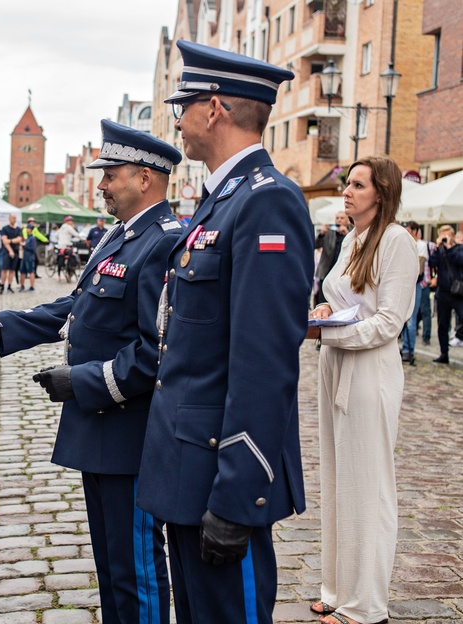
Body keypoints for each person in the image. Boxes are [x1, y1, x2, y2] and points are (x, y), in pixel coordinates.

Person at [0, 119, 184, 624]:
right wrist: (7, 323)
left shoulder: (163, 242)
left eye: (111, 174)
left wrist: (82, 382)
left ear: (145, 179)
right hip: (101, 427)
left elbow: (158, 348)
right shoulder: (120, 237)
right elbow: (79, 306)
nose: (102, 184)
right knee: (109, 560)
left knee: (137, 564)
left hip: (131, 428)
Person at [135, 41, 314, 624]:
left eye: (182, 106)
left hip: (220, 474)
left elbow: (263, 363)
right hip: (187, 465)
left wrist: (240, 497)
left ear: (214, 109)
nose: (177, 121)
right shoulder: (222, 201)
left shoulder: (267, 204)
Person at [308, 157, 418, 624]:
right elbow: (342, 295)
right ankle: (337, 587)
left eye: (358, 185)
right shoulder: (354, 238)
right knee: (337, 480)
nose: (347, 191)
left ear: (382, 192)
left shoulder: (397, 242)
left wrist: (326, 333)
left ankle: (366, 604)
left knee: (368, 486)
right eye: (346, 184)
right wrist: (323, 307)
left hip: (369, 371)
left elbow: (390, 322)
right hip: (336, 364)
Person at [428, 224, 463, 364]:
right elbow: (432, 263)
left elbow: (460, 260)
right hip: (443, 292)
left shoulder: (459, 249)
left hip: (459, 293)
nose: (444, 238)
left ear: (453, 236)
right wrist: (438, 248)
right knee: (442, 324)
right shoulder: (440, 250)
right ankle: (444, 353)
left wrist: (449, 247)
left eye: (447, 235)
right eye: (442, 235)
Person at [400, 221, 430, 364]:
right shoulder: (403, 243)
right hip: (404, 284)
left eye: (407, 230)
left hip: (414, 285)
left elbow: (418, 270)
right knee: (404, 319)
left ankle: (409, 350)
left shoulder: (421, 246)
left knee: (411, 319)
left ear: (414, 231)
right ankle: (405, 348)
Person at [315, 211, 350, 307]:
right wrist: (321, 234)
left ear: (348, 221)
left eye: (342, 218)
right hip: (327, 270)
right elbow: (315, 245)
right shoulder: (329, 232)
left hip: (342, 272)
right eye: (337, 218)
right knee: (322, 300)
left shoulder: (352, 233)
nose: (339, 220)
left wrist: (346, 233)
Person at [0, 214, 22, 293]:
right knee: (4, 270)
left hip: (15, 252)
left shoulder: (18, 229)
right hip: (6, 252)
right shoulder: (5, 228)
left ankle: (9, 285)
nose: (14, 219)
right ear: (9, 219)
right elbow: (4, 241)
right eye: (12, 218)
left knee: (12, 270)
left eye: (15, 218)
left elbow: (19, 239)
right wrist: (10, 251)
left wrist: (10, 240)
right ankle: (2, 285)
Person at [19, 222, 37, 291]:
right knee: (22, 271)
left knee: (31, 271)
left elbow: (33, 248)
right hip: (25, 256)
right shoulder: (27, 238)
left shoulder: (32, 238)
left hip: (30, 257)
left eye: (28, 228)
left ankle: (32, 286)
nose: (27, 229)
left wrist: (24, 245)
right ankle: (22, 285)